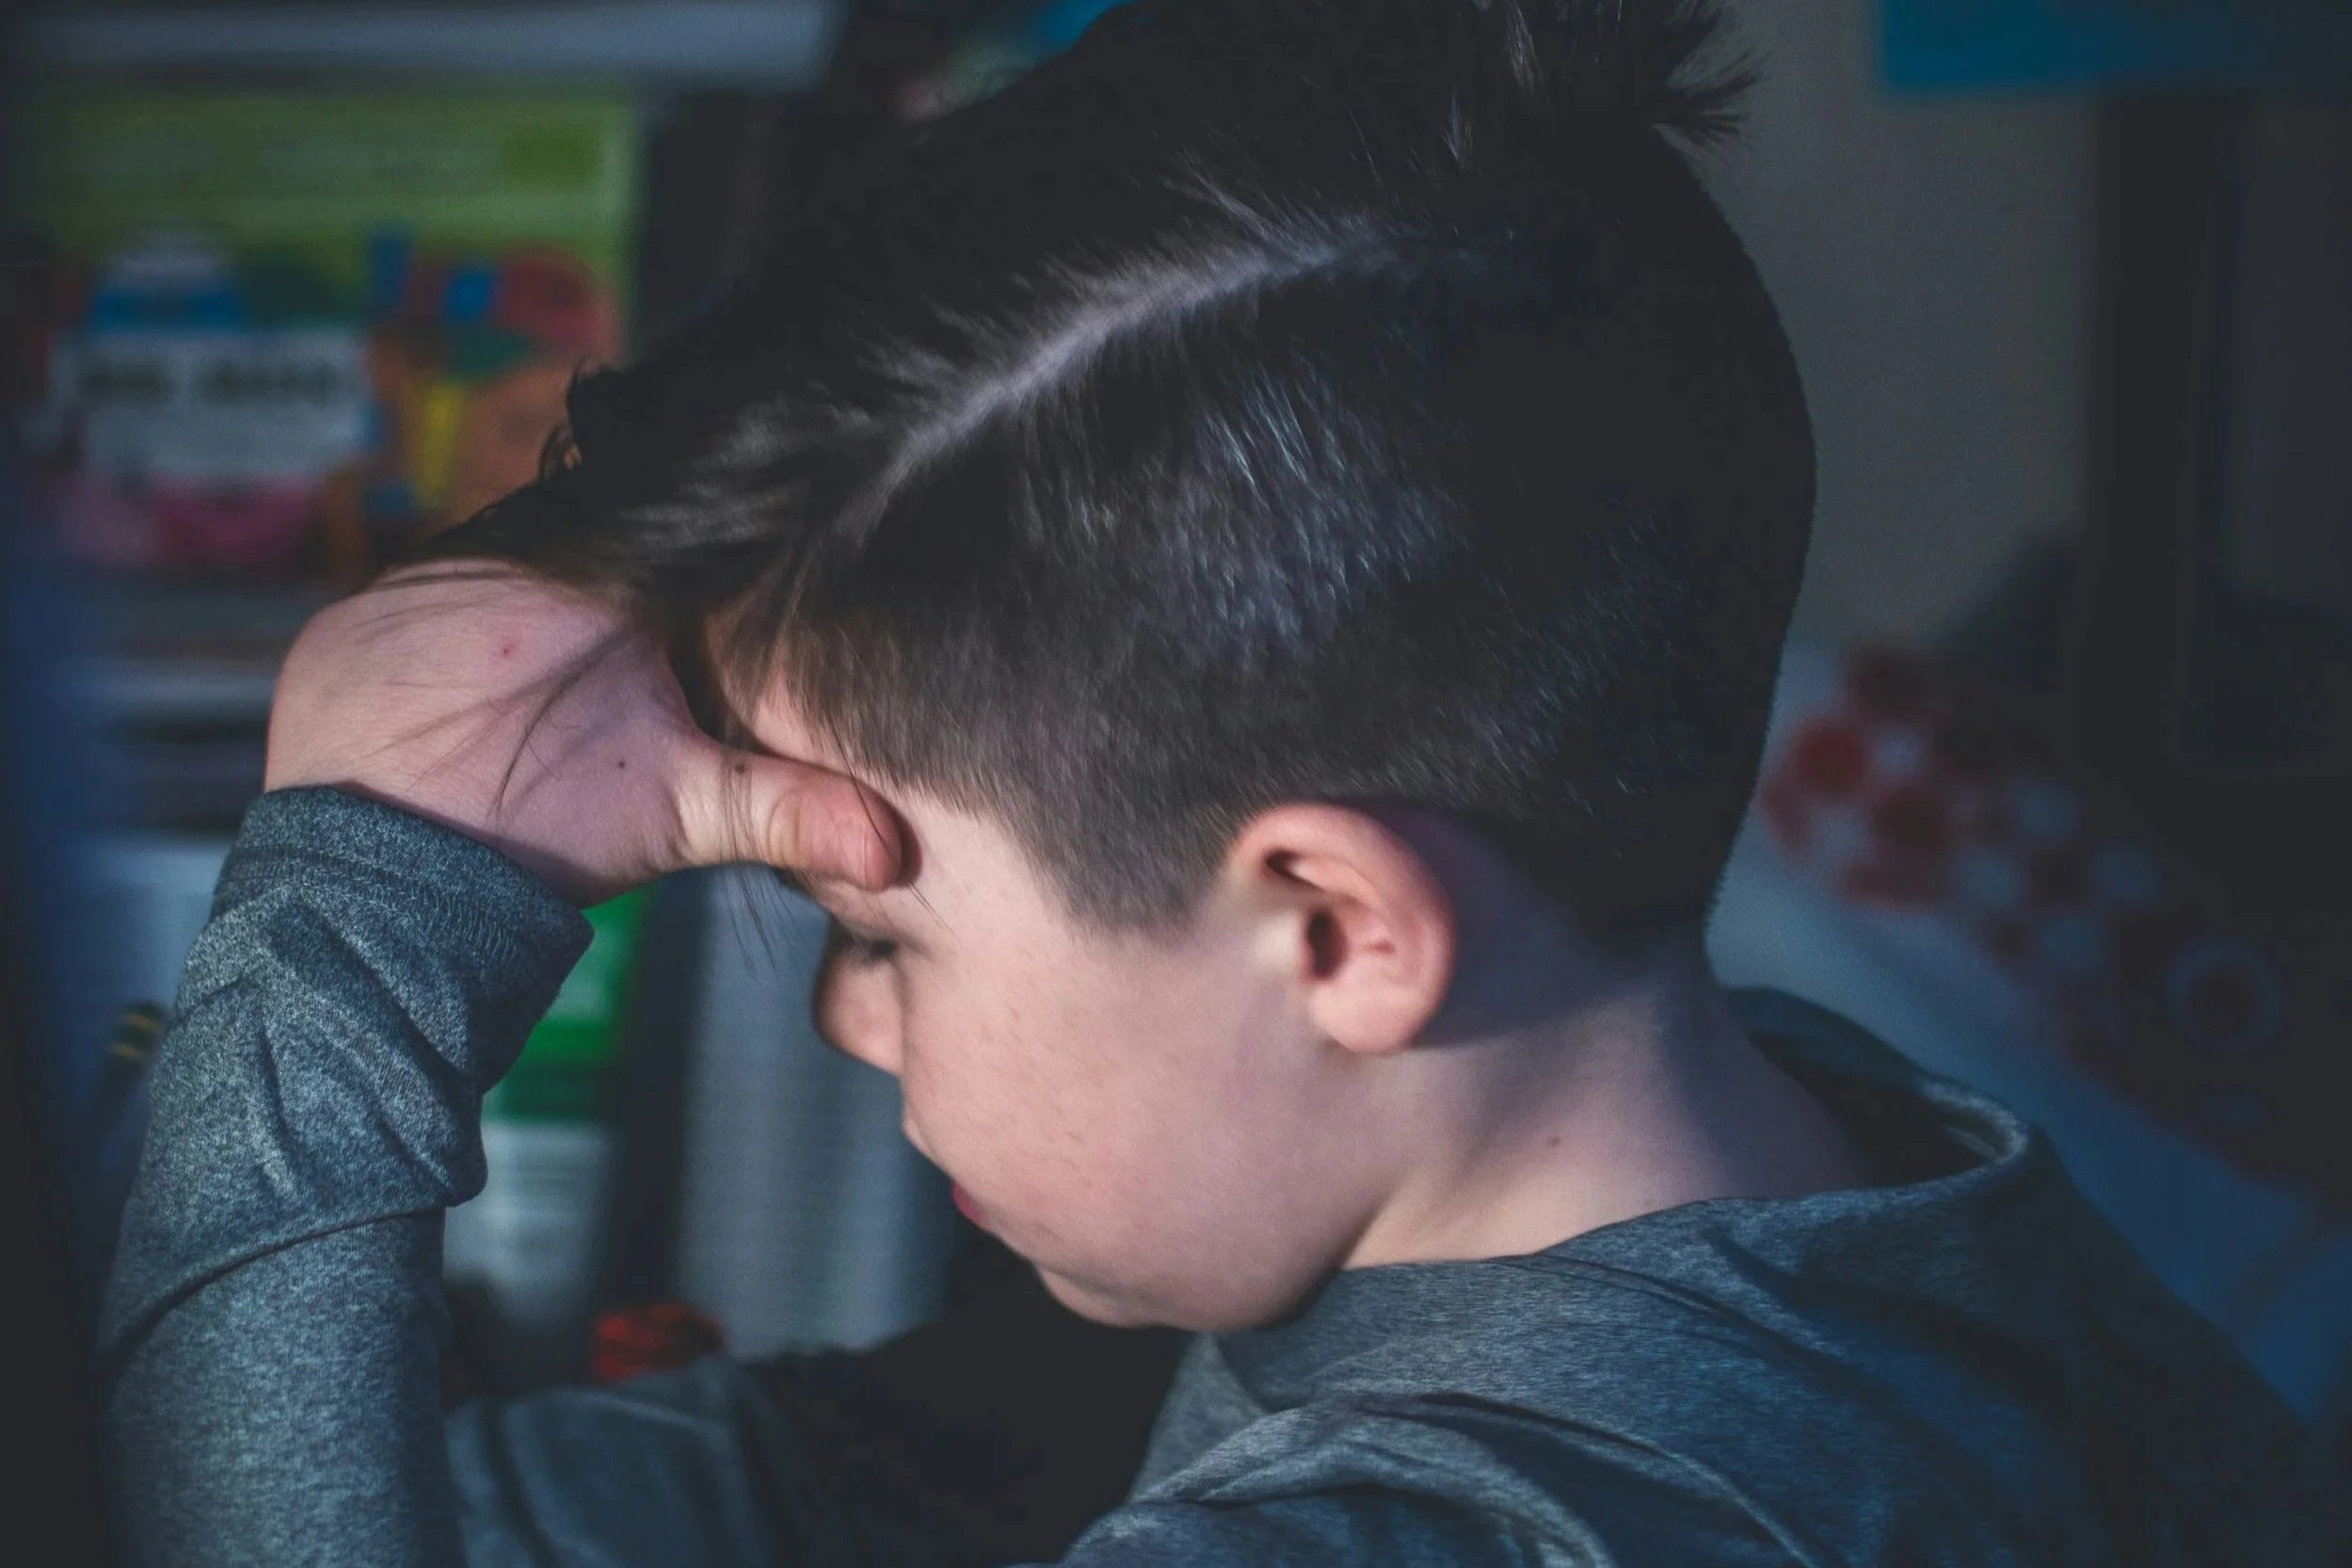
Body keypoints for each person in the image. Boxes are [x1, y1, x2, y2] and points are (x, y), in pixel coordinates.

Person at [96, 2, 2349, 1564]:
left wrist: (352, 939)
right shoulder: (1818, 1194)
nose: (841, 1016)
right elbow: (892, 1471)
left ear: (1331, 926)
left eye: (881, 931)